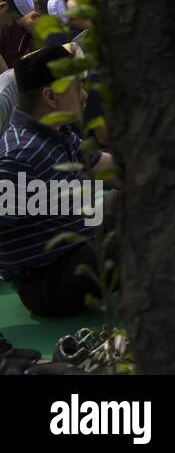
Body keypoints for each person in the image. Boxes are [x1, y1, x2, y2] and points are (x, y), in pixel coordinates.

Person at [0, 45, 118, 318]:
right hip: (50, 284)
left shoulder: (57, 132)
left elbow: (105, 167)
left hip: (77, 250)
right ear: (51, 97)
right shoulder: (19, 156)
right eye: (78, 86)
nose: (86, 94)